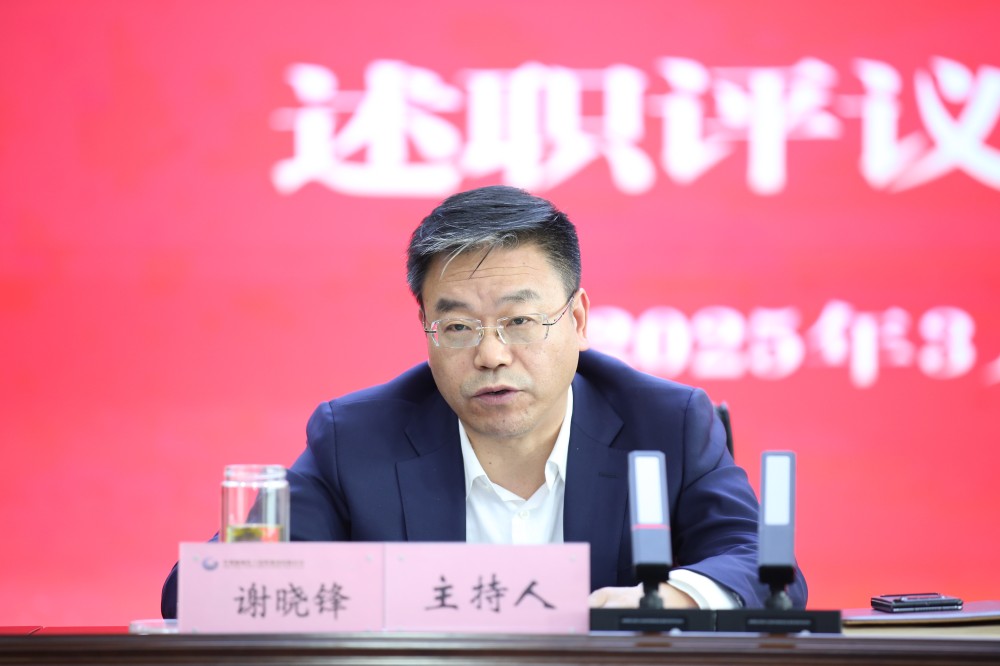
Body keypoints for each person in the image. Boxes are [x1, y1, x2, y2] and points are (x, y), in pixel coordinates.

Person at [161, 185, 807, 618]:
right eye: (459, 326)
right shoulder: (356, 439)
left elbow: (764, 567)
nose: (491, 354)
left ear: (578, 319)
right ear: (426, 330)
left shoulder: (666, 424)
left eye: (520, 322)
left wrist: (667, 600)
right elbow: (196, 594)